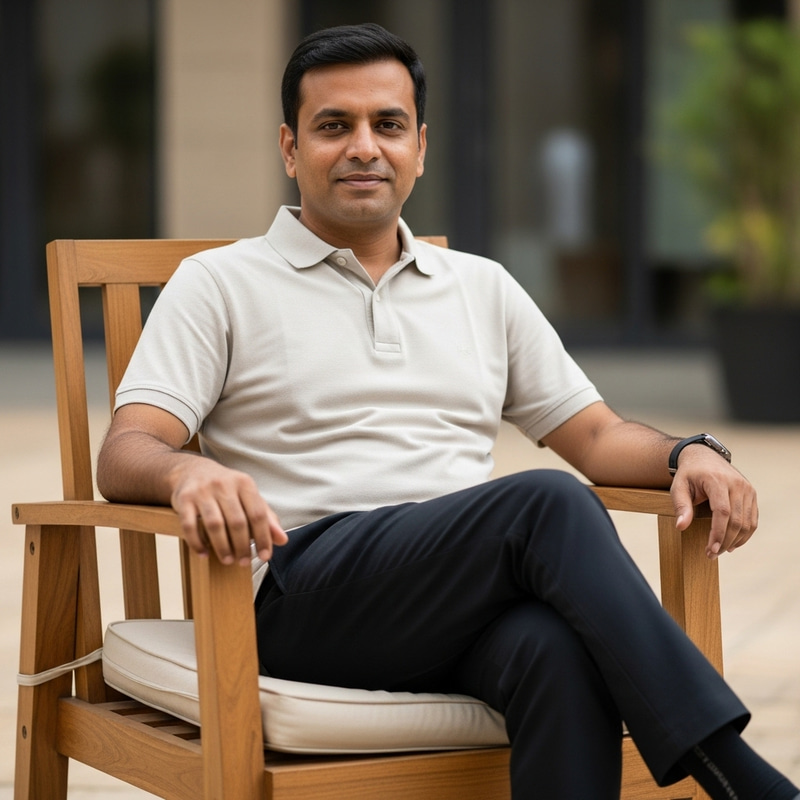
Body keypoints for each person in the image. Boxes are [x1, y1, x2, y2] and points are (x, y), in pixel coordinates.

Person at [96, 22, 799, 800]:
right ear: (290, 149)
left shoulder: (481, 287)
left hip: (452, 602)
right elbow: (127, 449)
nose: (365, 147)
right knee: (546, 503)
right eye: (334, 126)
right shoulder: (220, 284)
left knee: (554, 648)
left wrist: (685, 453)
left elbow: (598, 435)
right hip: (302, 599)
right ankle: (742, 780)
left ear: (420, 147)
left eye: (388, 124)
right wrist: (187, 473)